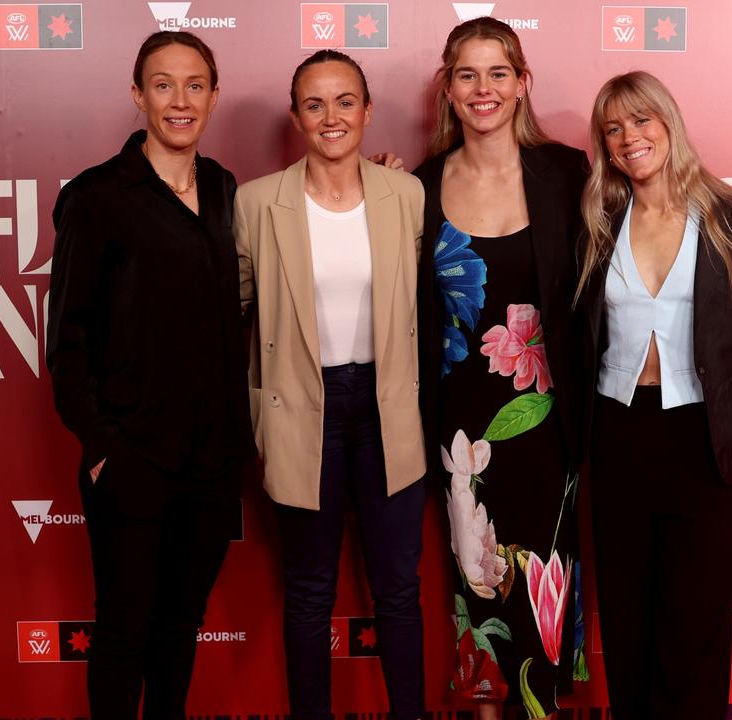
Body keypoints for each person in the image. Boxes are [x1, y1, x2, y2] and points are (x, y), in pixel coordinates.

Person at [45, 31, 254, 719]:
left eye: (195, 85)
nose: (180, 101)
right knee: (125, 632)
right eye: (163, 85)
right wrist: (105, 450)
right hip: (134, 458)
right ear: (138, 95)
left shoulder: (224, 188)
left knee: (179, 629)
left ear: (214, 95)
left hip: (211, 460)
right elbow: (67, 343)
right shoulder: (96, 197)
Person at [575, 71, 732, 719]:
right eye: (613, 129)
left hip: (702, 442)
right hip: (616, 439)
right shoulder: (594, 221)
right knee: (631, 626)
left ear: (669, 122)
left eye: (641, 121)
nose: (629, 138)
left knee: (695, 630)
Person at [233, 50, 427, 720]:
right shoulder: (257, 202)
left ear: (367, 112)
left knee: (398, 589)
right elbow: (231, 316)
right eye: (314, 104)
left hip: (386, 408)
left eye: (345, 101)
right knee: (310, 591)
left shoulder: (406, 194)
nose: (331, 117)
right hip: (303, 412)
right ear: (295, 118)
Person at [413, 17, 587, 719]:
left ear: (522, 84)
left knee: (542, 578)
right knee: (476, 587)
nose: (483, 89)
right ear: (448, 90)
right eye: (467, 74)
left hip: (547, 421)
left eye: (497, 73)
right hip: (461, 435)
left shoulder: (568, 174)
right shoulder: (418, 189)